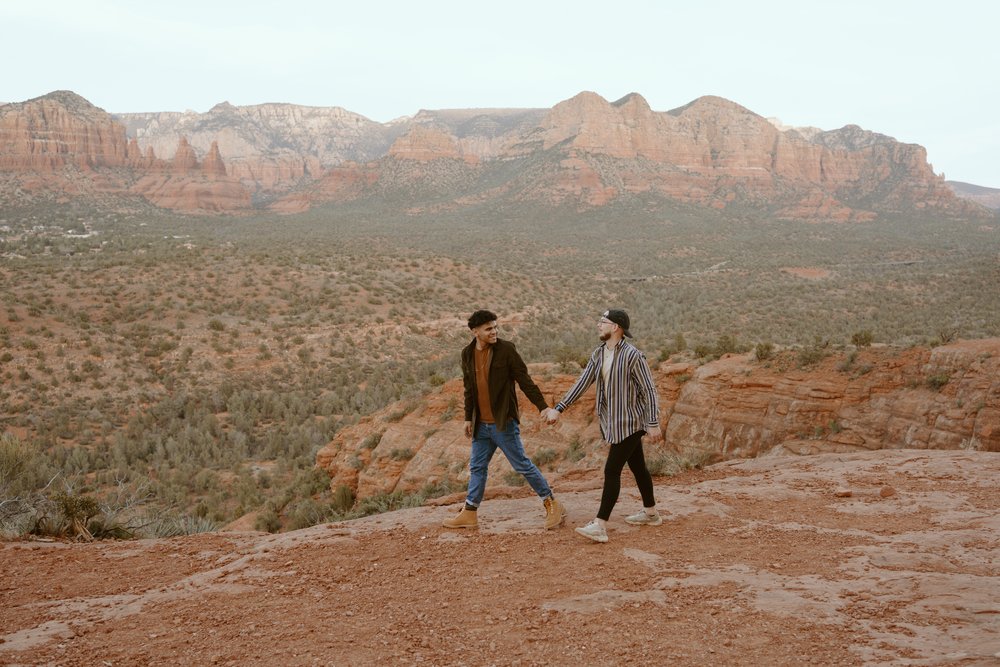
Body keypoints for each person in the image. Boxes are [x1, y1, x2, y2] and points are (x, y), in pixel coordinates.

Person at [543, 309, 662, 543]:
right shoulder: (598, 354)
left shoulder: (633, 355)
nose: (598, 325)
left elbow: (649, 390)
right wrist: (559, 408)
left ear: (615, 327)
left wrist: (653, 422)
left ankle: (600, 525)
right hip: (613, 423)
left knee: (611, 471)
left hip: (631, 422)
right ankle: (651, 512)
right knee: (638, 468)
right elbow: (583, 382)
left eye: (603, 322)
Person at [442, 309, 566, 530]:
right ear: (475, 332)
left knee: (522, 465)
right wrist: (467, 418)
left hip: (502, 422)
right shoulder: (467, 353)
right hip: (480, 424)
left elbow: (525, 381)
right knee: (478, 467)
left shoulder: (506, 350)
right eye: (489, 328)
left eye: (495, 327)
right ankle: (470, 513)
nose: (494, 331)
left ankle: (552, 503)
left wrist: (543, 407)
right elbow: (469, 388)